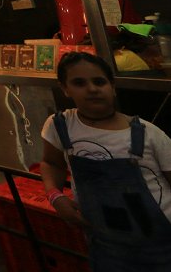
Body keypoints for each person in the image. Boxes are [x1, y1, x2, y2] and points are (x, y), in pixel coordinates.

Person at [40, 52, 171, 270]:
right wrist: (55, 196)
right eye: (79, 83)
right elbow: (51, 163)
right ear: (65, 88)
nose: (92, 89)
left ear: (112, 86)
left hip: (162, 244)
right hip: (105, 246)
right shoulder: (60, 127)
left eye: (99, 81)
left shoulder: (149, 133)